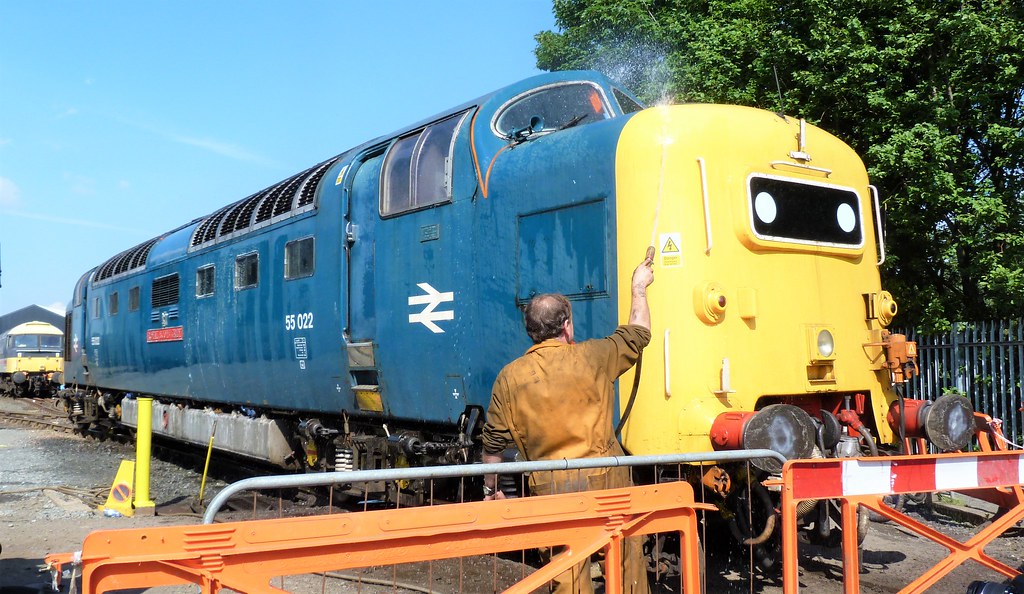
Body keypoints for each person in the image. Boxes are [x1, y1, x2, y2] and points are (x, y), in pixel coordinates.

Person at [481, 248, 655, 594]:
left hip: (552, 490)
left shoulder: (509, 377)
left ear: (531, 331)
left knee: (567, 572)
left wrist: (490, 489)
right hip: (610, 484)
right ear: (566, 325)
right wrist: (639, 287)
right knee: (626, 561)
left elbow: (493, 446)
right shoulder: (594, 356)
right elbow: (639, 333)